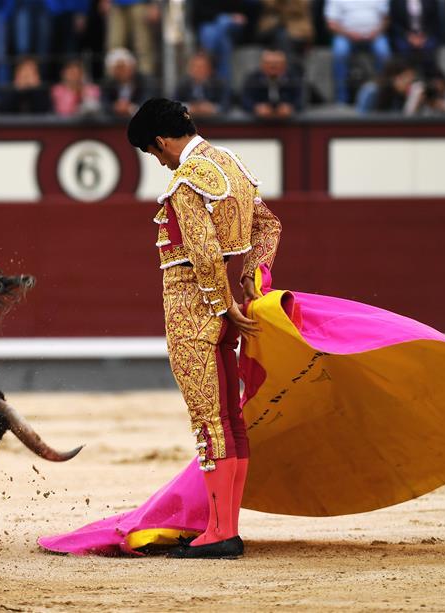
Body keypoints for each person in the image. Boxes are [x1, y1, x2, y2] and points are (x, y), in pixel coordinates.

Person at [125, 98, 282, 558]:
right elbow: (268, 226)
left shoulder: (187, 179)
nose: (159, 161)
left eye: (154, 153)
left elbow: (203, 251)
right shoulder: (231, 165)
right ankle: (223, 526)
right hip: (227, 310)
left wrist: (222, 303)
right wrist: (254, 279)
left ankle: (220, 533)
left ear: (159, 141)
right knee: (231, 419)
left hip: (193, 311)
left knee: (209, 421)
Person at [324, 0, 392, 105]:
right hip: (345, 35)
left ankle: (383, 95)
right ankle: (341, 98)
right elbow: (331, 23)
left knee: (384, 52)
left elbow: (386, 19)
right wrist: (348, 33)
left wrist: (377, 31)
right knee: (340, 53)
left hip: (375, 35)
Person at [193, 0, 256, 84]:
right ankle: (223, 84)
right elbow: (198, 14)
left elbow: (246, 9)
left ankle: (210, 60)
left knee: (222, 23)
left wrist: (231, 17)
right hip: (213, 28)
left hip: (233, 28)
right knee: (218, 37)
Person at [100, 0, 159, 76]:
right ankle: (112, 80)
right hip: (116, 4)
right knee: (114, 46)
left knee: (143, 46)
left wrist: (153, 4)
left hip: (141, 4)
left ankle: (146, 79)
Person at [241, 47, 303, 119]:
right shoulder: (252, 79)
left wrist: (291, 107)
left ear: (284, 65)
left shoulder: (294, 79)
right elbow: (245, 100)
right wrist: (256, 108)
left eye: (276, 64)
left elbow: (301, 100)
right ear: (262, 65)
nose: (272, 66)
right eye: (269, 64)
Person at [389, 0, 441, 73]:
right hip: (405, 35)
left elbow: (435, 20)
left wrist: (424, 36)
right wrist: (408, 36)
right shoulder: (397, 2)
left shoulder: (431, 1)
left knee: (429, 48)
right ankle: (407, 75)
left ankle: (429, 76)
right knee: (403, 48)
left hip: (425, 34)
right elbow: (394, 22)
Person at [100, 47, 153, 117]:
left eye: (123, 67)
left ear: (132, 66)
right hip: (114, 123)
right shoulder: (107, 84)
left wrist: (131, 108)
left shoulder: (145, 82)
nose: (121, 71)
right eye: (117, 68)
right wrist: (115, 107)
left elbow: (149, 102)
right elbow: (103, 104)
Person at [174, 51, 229, 117]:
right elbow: (173, 104)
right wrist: (190, 107)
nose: (197, 70)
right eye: (194, 66)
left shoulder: (219, 84)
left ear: (210, 69)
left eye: (202, 67)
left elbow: (226, 105)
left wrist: (212, 108)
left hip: (214, 122)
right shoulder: (183, 84)